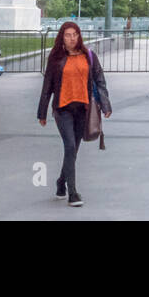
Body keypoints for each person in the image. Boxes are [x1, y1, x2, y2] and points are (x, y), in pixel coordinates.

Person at [37, 21, 111, 207]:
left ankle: (61, 182)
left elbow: (99, 80)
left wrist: (105, 104)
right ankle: (73, 193)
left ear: (79, 36)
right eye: (68, 35)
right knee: (70, 146)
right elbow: (47, 87)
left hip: (83, 110)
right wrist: (42, 112)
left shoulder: (89, 56)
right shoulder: (55, 59)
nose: (72, 38)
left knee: (73, 150)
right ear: (62, 37)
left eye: (75, 34)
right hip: (62, 110)